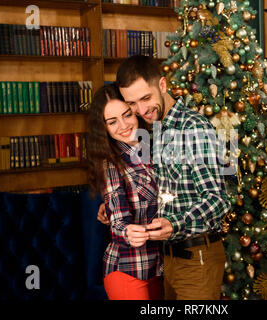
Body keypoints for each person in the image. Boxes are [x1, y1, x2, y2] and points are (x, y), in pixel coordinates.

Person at [97, 55, 231, 300]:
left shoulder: (193, 128)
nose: (141, 109)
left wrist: (174, 224)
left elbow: (218, 199)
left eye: (146, 98)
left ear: (162, 85)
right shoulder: (154, 130)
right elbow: (153, 187)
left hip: (197, 257)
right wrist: (111, 206)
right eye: (132, 104)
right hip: (166, 261)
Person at [87, 84, 162, 300]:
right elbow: (119, 220)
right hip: (127, 268)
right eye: (112, 122)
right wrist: (127, 229)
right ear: (105, 129)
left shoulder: (154, 149)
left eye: (127, 115)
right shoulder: (111, 163)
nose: (123, 125)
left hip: (159, 267)